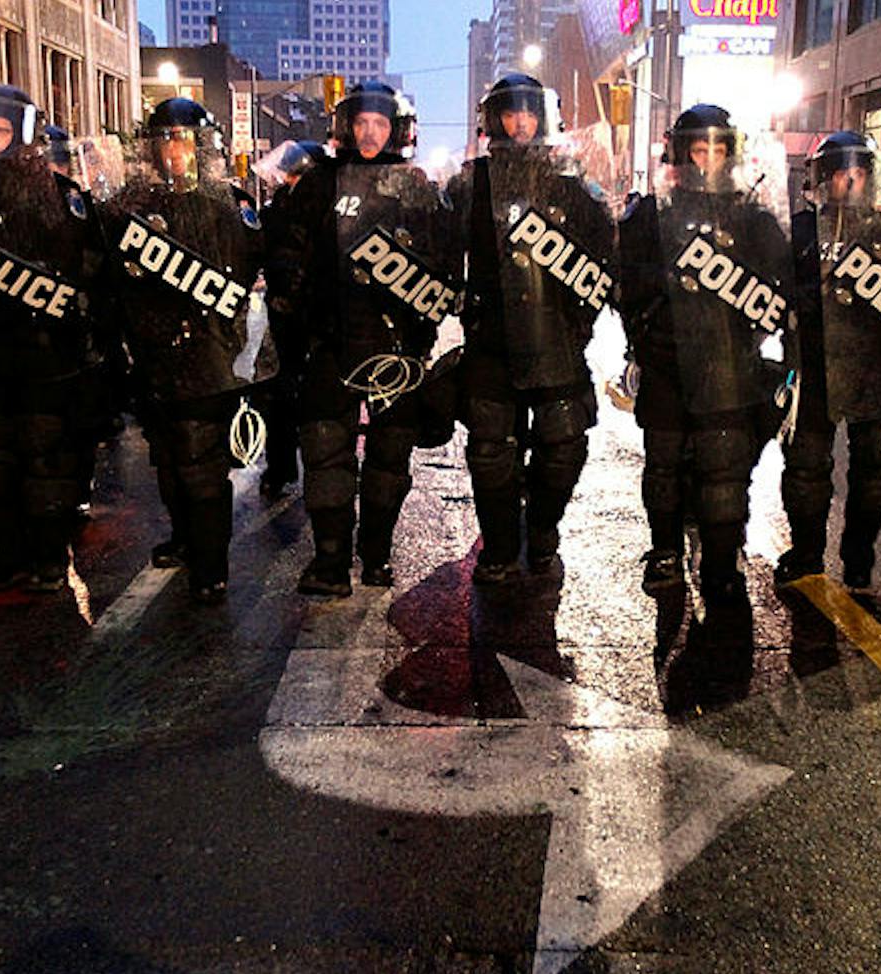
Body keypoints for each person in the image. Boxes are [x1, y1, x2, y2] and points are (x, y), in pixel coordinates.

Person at [267, 81, 455, 596]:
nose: (370, 133)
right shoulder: (317, 184)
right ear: (346, 127)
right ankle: (330, 560)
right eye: (362, 123)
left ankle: (377, 555)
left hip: (396, 345)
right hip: (331, 339)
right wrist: (295, 311)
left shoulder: (418, 187)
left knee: (390, 457)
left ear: (396, 130)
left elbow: (443, 264)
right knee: (326, 449)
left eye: (381, 124)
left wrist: (422, 327)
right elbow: (288, 253)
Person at [0, 86, 114, 595]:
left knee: (45, 461)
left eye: (3, 131)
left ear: (24, 134)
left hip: (45, 358)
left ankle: (48, 555)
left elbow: (91, 273)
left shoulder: (61, 197)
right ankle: (9, 551)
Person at [616, 104, 794, 604]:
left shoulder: (751, 216)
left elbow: (783, 282)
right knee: (665, 465)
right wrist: (649, 328)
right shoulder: (653, 214)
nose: (708, 159)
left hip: (730, 362)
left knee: (723, 469)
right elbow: (624, 281)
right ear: (681, 153)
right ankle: (665, 552)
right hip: (669, 360)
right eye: (698, 148)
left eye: (717, 149)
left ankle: (721, 558)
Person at [446, 73, 614, 584]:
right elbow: (441, 253)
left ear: (544, 118)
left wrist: (581, 321)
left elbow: (604, 258)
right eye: (510, 113)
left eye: (529, 113)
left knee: (563, 447)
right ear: (493, 119)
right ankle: (498, 546)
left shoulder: (571, 185)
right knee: (491, 450)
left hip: (556, 341)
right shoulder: (470, 183)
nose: (520, 123)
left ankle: (542, 529)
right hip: (493, 341)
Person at [105, 97, 261, 603]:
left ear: (202, 145)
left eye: (184, 138)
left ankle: (211, 565)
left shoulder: (225, 203)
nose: (175, 149)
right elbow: (112, 279)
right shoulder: (132, 204)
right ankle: (184, 539)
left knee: (201, 464)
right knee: (168, 460)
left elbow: (242, 275)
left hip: (206, 356)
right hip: (152, 357)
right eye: (166, 139)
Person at [778, 130, 881, 590]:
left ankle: (859, 551)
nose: (849, 183)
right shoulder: (798, 231)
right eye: (839, 174)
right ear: (821, 179)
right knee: (805, 467)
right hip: (813, 362)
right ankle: (806, 553)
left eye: (858, 174)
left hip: (872, 366)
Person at [252, 140, 321, 500]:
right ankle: (280, 469)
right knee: (279, 397)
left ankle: (313, 472)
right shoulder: (278, 206)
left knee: (311, 401)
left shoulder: (323, 209)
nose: (288, 180)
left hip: (314, 318)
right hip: (282, 314)